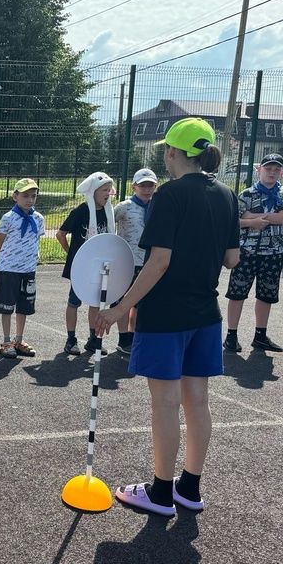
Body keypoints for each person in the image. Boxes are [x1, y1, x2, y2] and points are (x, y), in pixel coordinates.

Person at [95, 117, 240, 518]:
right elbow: (231, 259)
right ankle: (189, 488)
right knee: (198, 402)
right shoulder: (227, 195)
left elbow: (158, 262)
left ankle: (160, 493)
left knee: (165, 404)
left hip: (166, 316)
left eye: (166, 149)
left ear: (172, 152)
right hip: (206, 315)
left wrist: (120, 309)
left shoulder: (170, 196)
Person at [223, 153, 283, 353]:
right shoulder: (246, 194)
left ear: (281, 172)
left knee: (266, 295)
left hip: (273, 252)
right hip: (247, 250)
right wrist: (252, 222)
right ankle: (231, 335)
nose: (272, 173)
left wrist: (252, 216)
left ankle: (260, 335)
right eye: (268, 168)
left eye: (276, 169)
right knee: (237, 293)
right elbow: (234, 220)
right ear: (258, 170)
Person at [57, 172, 115, 356]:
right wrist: (72, 254)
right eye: (105, 190)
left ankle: (93, 339)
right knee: (74, 302)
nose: (108, 193)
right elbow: (60, 234)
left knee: (95, 303)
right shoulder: (81, 211)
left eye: (109, 190)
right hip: (81, 267)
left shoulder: (108, 212)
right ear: (93, 192)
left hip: (99, 266)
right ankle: (71, 339)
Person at [0, 178, 44, 359]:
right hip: (10, 270)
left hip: (28, 270)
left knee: (24, 307)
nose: (29, 200)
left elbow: (37, 240)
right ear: (15, 196)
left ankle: (18, 340)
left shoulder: (38, 218)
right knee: (6, 307)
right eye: (25, 196)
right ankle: (6, 341)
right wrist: (3, 261)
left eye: (33, 196)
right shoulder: (8, 218)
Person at [112, 168, 157, 355]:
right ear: (134, 186)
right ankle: (124, 337)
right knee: (124, 300)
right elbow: (108, 222)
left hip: (149, 261)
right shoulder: (124, 206)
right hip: (127, 260)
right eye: (143, 185)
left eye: (150, 185)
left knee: (140, 302)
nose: (146, 190)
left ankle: (134, 335)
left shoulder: (158, 206)